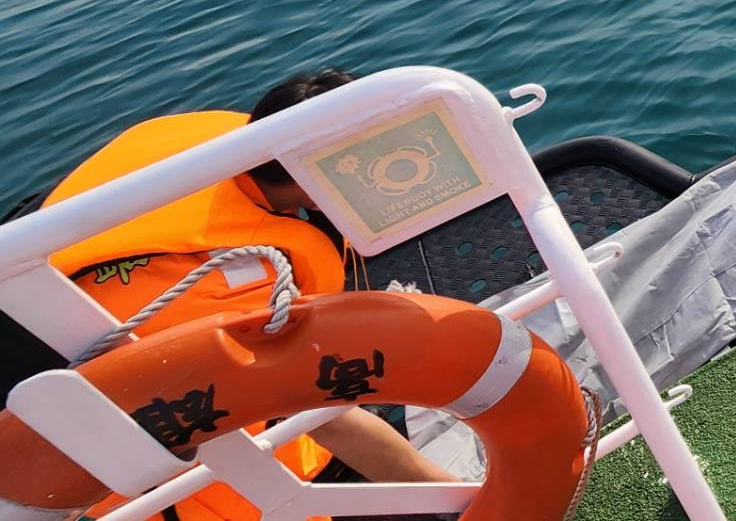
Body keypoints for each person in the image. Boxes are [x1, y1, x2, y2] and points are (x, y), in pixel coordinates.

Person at [45, 67, 454, 521]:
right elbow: (329, 420)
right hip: (180, 481)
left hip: (68, 339)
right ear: (321, 173)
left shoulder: (224, 141)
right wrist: (465, 495)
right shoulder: (234, 285)